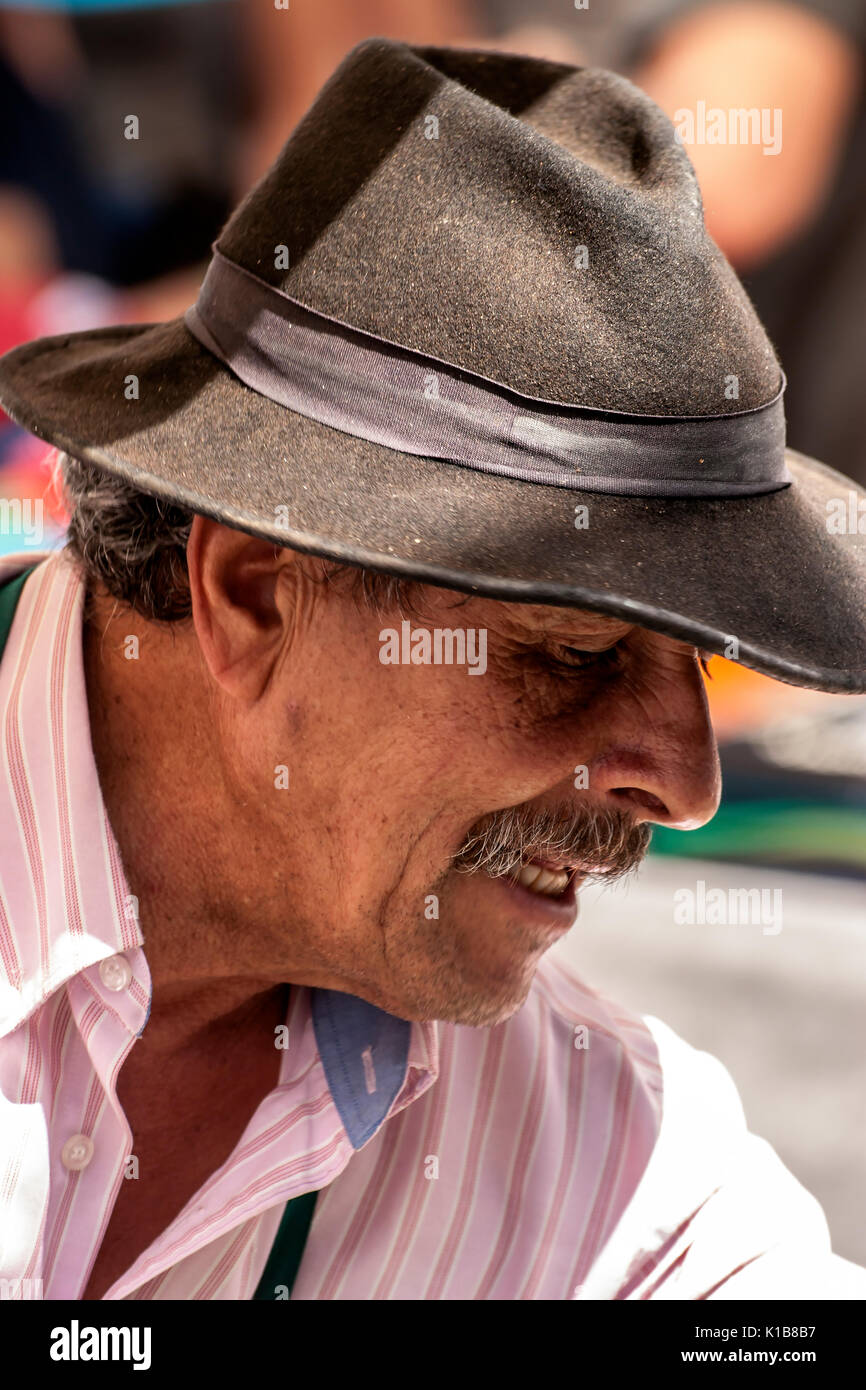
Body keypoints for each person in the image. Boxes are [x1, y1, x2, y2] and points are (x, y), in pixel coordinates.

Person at [0, 37, 864, 1301]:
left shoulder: (615, 1159)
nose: (686, 786)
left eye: (703, 664)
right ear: (249, 594)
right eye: (574, 653)